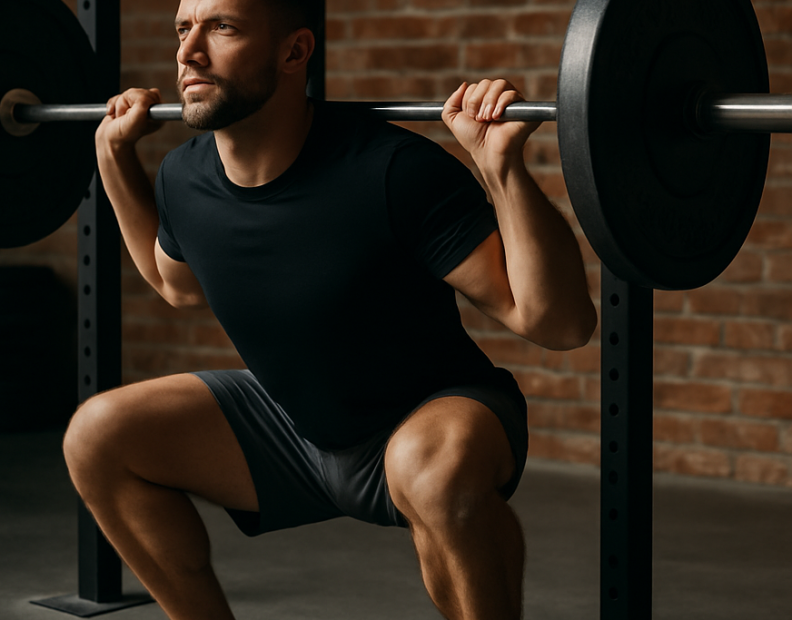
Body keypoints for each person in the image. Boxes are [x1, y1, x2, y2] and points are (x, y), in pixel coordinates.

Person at [62, 0, 597, 618]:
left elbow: (557, 324)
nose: (187, 52)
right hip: (292, 426)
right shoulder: (183, 177)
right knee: (99, 435)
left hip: (426, 422)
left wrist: (501, 170)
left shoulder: (393, 171)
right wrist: (112, 159)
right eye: (184, 28)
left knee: (431, 472)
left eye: (222, 27)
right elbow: (174, 284)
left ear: (294, 52)